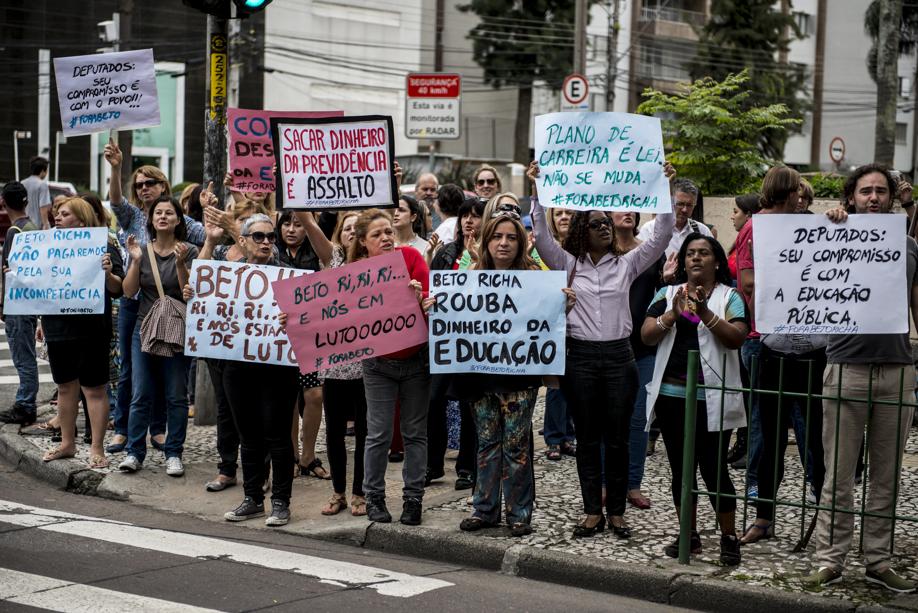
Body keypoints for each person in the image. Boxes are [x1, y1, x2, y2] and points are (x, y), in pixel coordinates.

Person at [529, 159, 675, 539]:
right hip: (580, 359)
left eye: (607, 224)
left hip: (618, 359)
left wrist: (664, 191)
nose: (606, 229)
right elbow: (542, 238)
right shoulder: (566, 262)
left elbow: (661, 237)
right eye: (597, 224)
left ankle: (617, 513)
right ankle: (592, 510)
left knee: (619, 436)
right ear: (582, 230)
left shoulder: (627, 264)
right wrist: (538, 191)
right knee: (588, 438)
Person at [806, 165, 918, 593]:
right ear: (850, 197)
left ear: (892, 197)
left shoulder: (908, 247)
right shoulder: (831, 234)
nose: (873, 197)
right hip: (846, 368)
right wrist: (831, 225)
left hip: (896, 370)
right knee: (838, 475)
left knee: (886, 477)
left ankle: (879, 560)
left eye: (881, 191)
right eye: (865, 191)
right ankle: (829, 560)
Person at [446, 211, 575, 537]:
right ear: (486, 242)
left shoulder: (535, 276)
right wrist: (437, 308)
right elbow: (453, 318)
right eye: (497, 237)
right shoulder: (468, 276)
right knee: (487, 445)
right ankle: (484, 509)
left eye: (511, 237)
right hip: (479, 378)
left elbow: (548, 321)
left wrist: (564, 306)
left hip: (520, 378)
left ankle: (519, 513)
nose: (503, 243)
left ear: (521, 244)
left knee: (516, 447)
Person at [641, 234, 747, 566]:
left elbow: (737, 338)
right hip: (672, 396)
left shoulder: (730, 297)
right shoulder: (667, 293)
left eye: (703, 253)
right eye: (690, 254)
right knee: (680, 469)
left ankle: (729, 536)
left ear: (717, 261)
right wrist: (671, 316)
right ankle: (688, 533)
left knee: (714, 469)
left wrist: (704, 313)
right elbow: (646, 335)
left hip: (712, 396)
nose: (696, 258)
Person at [192, 214, 300, 527]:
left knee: (278, 435)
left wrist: (292, 317)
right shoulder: (226, 276)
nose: (266, 241)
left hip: (277, 365)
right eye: (258, 236)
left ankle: (280, 501)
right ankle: (253, 498)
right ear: (243, 240)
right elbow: (199, 282)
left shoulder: (289, 275)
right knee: (249, 434)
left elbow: (308, 316)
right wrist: (193, 294)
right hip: (237, 366)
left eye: (270, 236)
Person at [103, 140, 203, 454]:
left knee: (167, 374)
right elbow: (115, 199)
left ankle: (158, 431)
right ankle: (123, 431)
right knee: (132, 372)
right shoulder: (132, 216)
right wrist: (117, 167)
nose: (144, 188)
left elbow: (212, 241)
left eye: (150, 183)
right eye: (140, 185)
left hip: (173, 308)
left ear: (164, 186)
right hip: (136, 306)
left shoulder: (182, 223)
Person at [341, 207, 430, 525]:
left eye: (389, 231)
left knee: (414, 433)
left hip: (416, 361)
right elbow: (340, 317)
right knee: (378, 434)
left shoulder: (412, 259)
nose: (386, 238)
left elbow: (429, 308)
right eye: (377, 234)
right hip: (378, 364)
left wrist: (423, 302)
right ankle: (374, 498)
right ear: (363, 241)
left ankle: (413, 500)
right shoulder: (355, 272)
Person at [37, 198, 124, 468]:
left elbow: (118, 289)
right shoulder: (47, 246)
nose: (58, 218)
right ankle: (67, 443)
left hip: (92, 329)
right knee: (65, 387)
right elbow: (41, 285)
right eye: (57, 214)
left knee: (94, 388)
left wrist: (108, 273)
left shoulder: (105, 245)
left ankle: (96, 448)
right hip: (58, 326)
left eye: (65, 214)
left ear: (82, 221)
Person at [294, 209, 368, 517]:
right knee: (334, 430)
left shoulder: (378, 265)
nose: (351, 231)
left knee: (366, 432)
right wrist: (292, 191)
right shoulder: (334, 258)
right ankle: (338, 492)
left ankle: (360, 493)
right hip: (336, 365)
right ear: (339, 233)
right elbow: (308, 222)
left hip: (369, 367)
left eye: (357, 228)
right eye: (346, 227)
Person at [117, 196, 198, 475]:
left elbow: (190, 292)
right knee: (141, 393)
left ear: (179, 220)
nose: (163, 217)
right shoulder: (140, 249)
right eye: (158, 213)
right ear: (151, 220)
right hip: (145, 329)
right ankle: (134, 452)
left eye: (169, 213)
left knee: (176, 394)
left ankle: (173, 452)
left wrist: (179, 264)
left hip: (176, 330)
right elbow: (128, 291)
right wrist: (136, 261)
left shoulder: (190, 251)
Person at [735, 166, 801, 497]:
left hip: (795, 337)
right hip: (761, 339)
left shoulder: (792, 226)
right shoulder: (755, 228)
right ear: (788, 193)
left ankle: (815, 486)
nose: (801, 197)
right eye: (798, 191)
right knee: (763, 419)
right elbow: (747, 283)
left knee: (800, 416)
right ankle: (758, 487)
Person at [426, 197, 486, 490]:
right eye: (465, 215)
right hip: (446, 339)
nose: (469, 221)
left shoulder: (488, 255)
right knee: (434, 399)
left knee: (468, 405)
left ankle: (467, 466)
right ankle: (432, 464)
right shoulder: (447, 253)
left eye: (475, 216)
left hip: (474, 342)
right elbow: (434, 286)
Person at [613, 211, 665, 510]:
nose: (628, 211)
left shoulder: (648, 251)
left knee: (638, 421)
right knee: (608, 420)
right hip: (608, 347)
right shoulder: (599, 252)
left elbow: (663, 294)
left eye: (633, 206)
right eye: (621, 205)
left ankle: (632, 485)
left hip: (643, 348)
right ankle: (607, 485)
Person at [0, 182, 40, 426]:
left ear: (4, 202)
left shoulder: (15, 232)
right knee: (27, 355)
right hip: (28, 304)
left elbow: (11, 275)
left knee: (23, 357)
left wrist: (3, 306)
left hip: (18, 305)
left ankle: (25, 404)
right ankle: (26, 402)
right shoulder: (31, 227)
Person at [541, 206, 577, 461]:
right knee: (555, 384)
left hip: (579, 322)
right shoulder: (544, 249)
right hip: (551, 322)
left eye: (569, 213)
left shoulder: (584, 248)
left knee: (574, 382)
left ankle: (568, 436)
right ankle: (554, 438)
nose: (563, 217)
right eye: (558, 214)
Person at [637, 178, 712, 258]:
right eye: (680, 204)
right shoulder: (649, 229)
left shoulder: (702, 230)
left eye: (689, 205)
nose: (684, 209)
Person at [726, 195, 760, 283]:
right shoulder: (741, 238)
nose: (732, 217)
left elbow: (748, 283)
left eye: (735, 212)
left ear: (748, 215)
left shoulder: (751, 235)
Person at [429, 184, 464, 248]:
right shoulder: (464, 224)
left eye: (435, 199)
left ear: (439, 202)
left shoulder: (443, 230)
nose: (433, 203)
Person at [21, 156, 51, 229]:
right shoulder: (42, 185)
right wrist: (46, 225)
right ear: (42, 171)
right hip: (37, 227)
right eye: (46, 170)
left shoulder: (22, 183)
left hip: (23, 225)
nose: (47, 173)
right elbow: (43, 207)